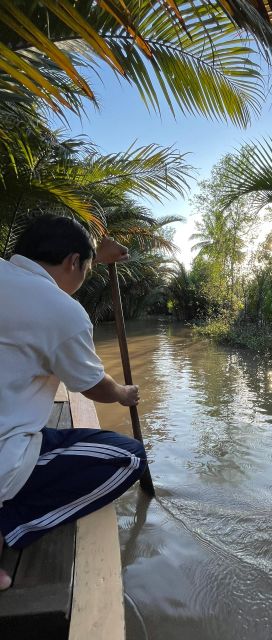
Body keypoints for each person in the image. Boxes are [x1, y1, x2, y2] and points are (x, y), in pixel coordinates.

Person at [0, 215, 148, 591]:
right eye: (85, 266)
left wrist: (96, 256)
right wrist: (123, 394)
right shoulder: (61, 311)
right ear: (71, 262)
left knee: (58, 436)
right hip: (5, 452)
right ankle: (8, 522)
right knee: (128, 457)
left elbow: (50, 276)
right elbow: (93, 385)